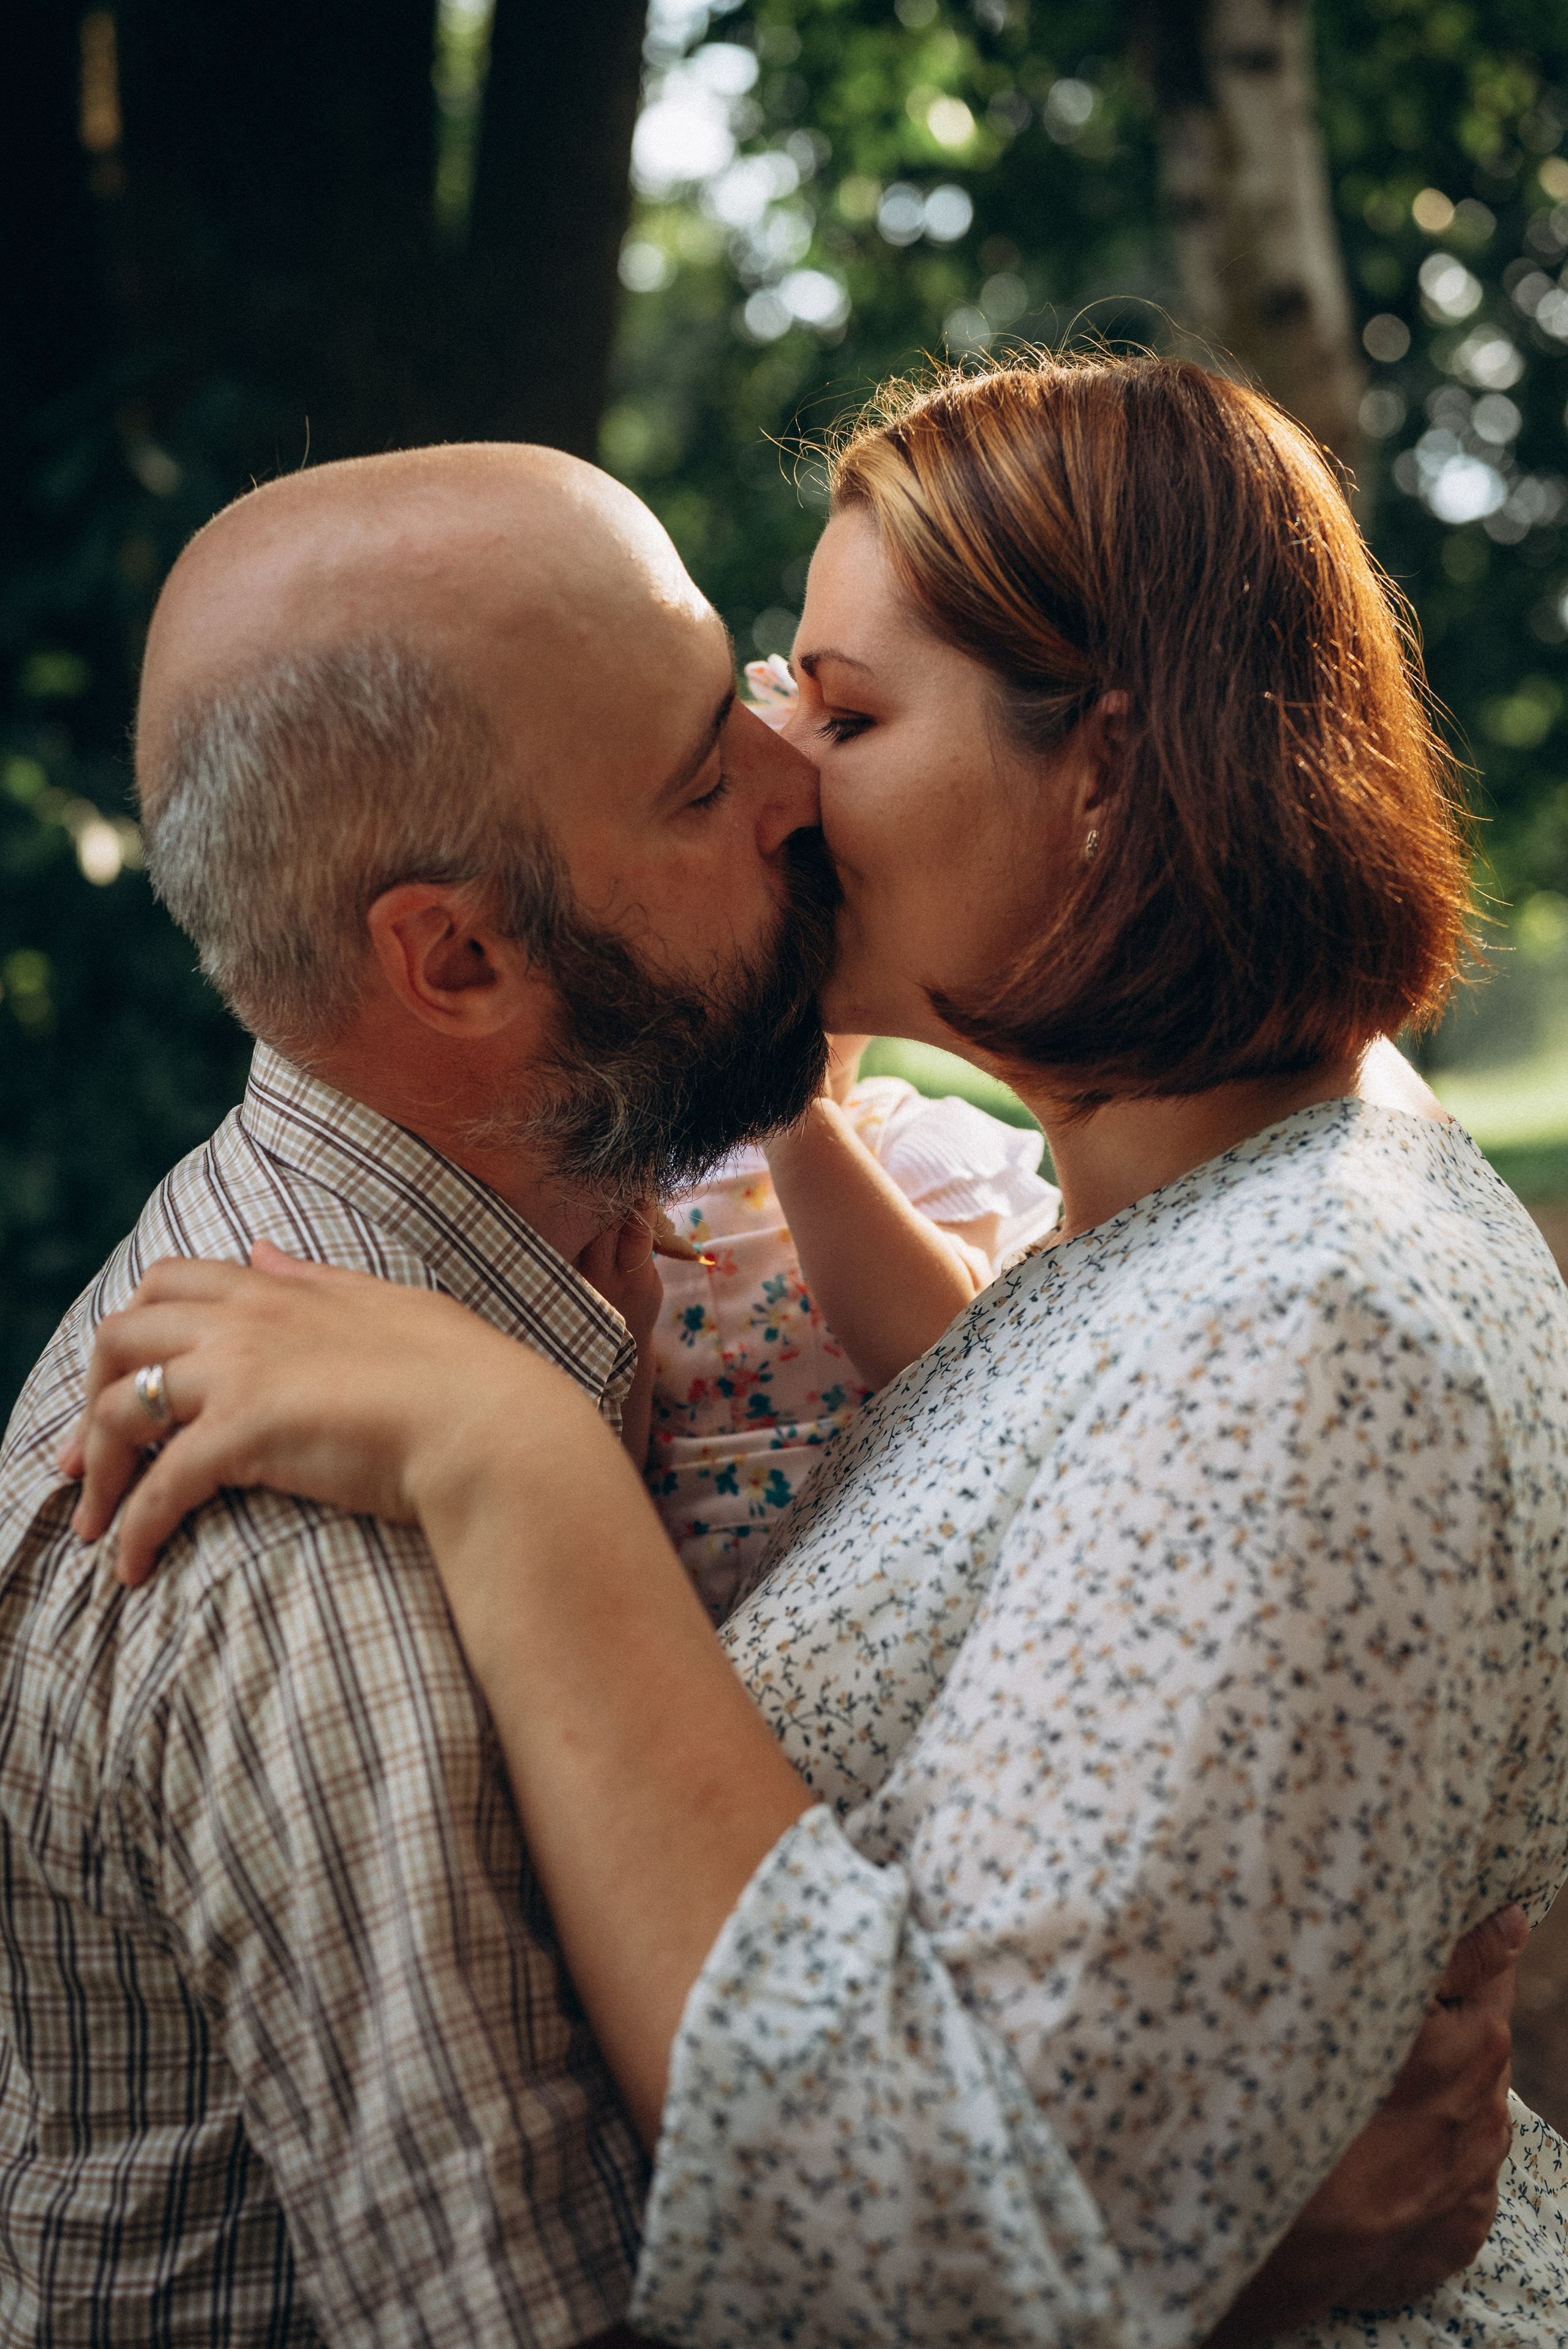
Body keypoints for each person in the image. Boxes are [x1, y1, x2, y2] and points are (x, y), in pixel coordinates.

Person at [62, 355, 1568, 2347]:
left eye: (841, 711)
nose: (786, 773)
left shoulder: (1310, 1321)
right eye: (756, 716)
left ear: (1107, 776)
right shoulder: (1196, 1238)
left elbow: (967, 2240)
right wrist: (1241, 2220)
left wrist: (515, 1458)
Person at [0, 442, 840, 2345]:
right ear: (455, 958)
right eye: (708, 777)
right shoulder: (304, 1571)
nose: (802, 780)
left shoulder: (577, 1202)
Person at [647, 1028, 1059, 1620]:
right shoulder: (623, 1172)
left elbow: (949, 1363)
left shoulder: (910, 1139)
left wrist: (795, 1109)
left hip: (879, 1583)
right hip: (670, 1602)